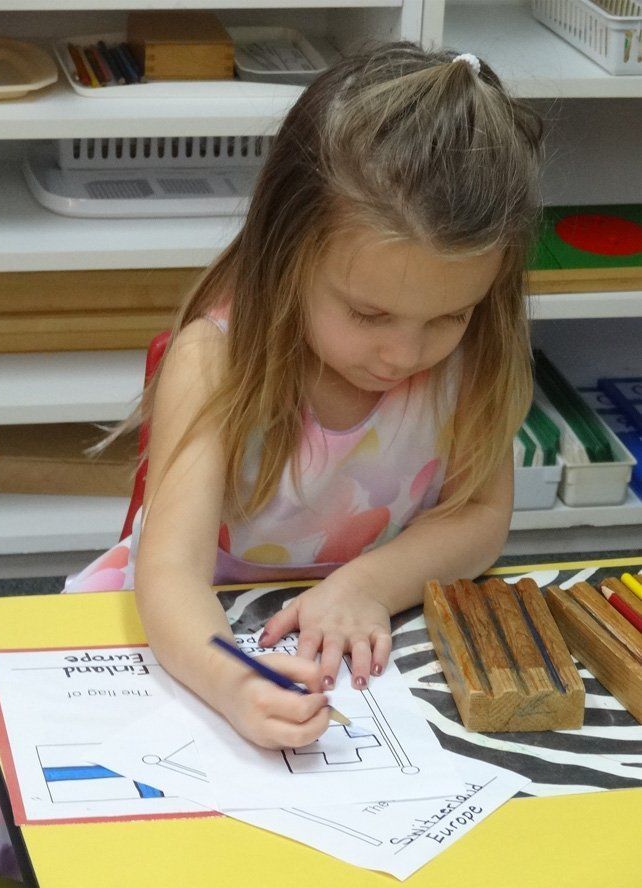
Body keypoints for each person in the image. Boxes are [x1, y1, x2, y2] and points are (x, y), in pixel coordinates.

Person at [63, 44, 543, 750]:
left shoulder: (472, 360)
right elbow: (169, 572)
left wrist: (365, 587)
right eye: (369, 315)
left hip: (372, 633)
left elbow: (479, 516)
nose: (405, 355)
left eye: (449, 317)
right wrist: (233, 679)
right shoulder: (214, 360)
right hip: (192, 635)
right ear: (286, 257)